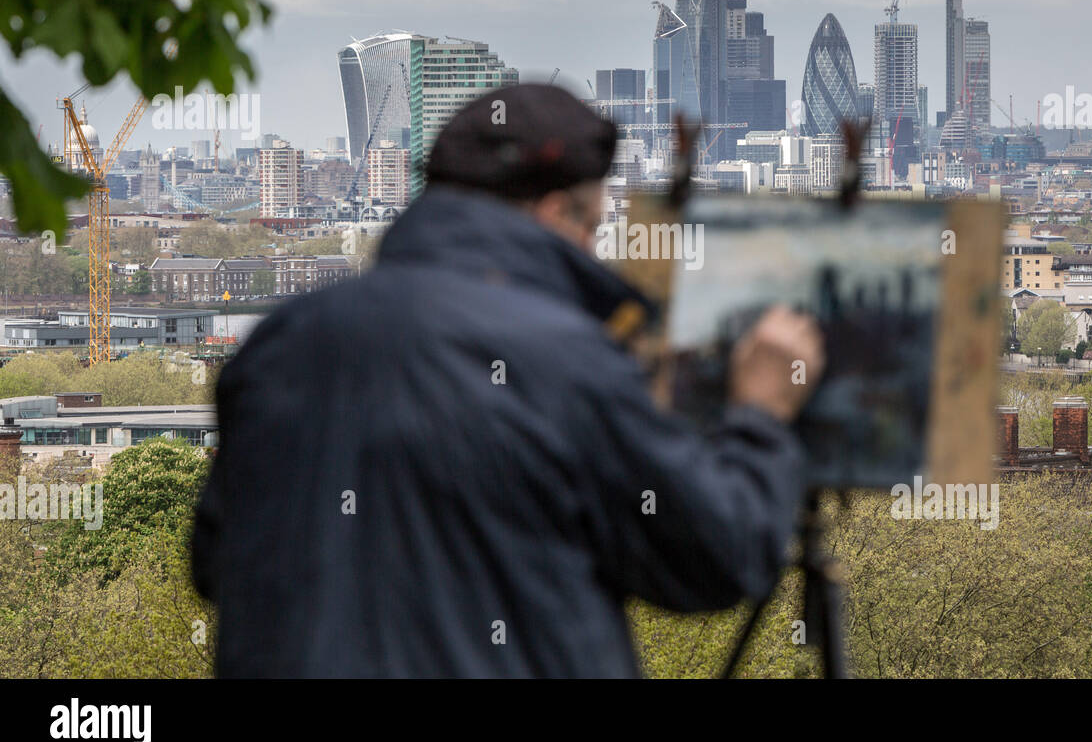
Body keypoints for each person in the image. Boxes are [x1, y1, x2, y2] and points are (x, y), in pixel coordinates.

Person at [191, 84, 825, 677]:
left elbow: (213, 564)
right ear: (553, 212)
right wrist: (760, 418)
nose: (592, 248)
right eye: (592, 227)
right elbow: (715, 557)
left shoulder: (281, 344)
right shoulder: (566, 362)